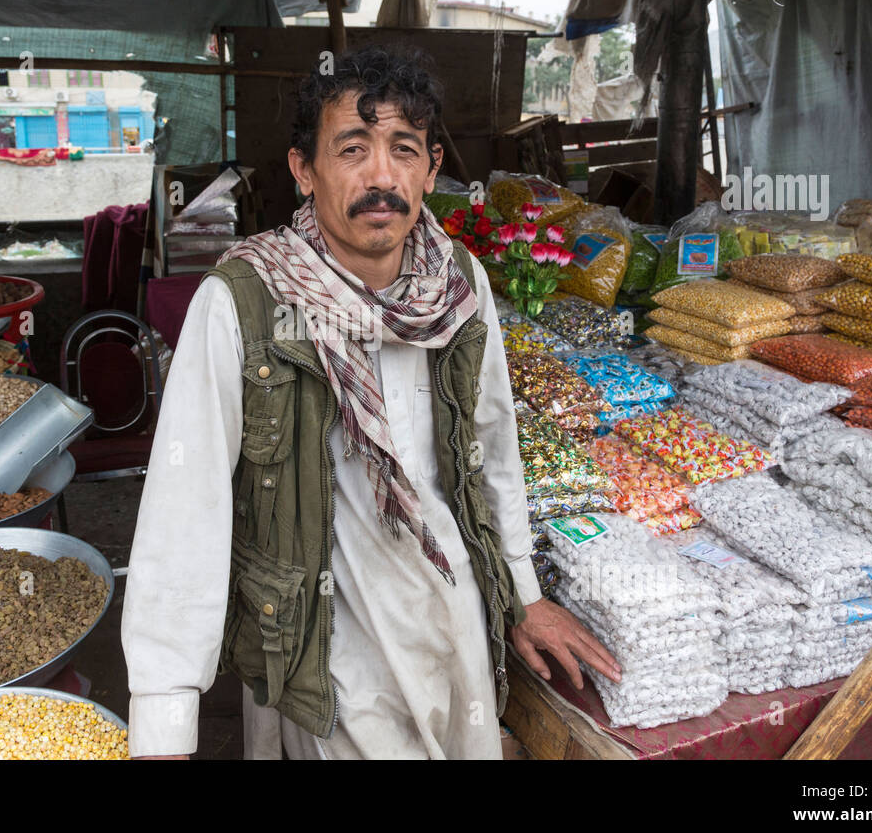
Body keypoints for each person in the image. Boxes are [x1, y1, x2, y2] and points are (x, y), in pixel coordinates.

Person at [121, 45, 620, 760]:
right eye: (352, 149)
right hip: (326, 639)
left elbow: (494, 446)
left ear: (433, 167)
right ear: (304, 169)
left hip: (451, 611)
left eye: (403, 150)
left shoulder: (458, 283)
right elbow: (184, 511)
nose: (381, 177)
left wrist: (522, 594)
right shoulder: (245, 302)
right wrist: (164, 718)